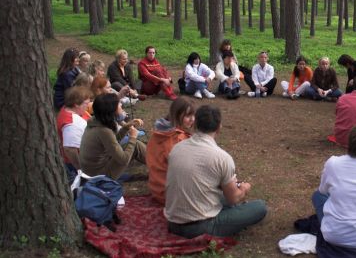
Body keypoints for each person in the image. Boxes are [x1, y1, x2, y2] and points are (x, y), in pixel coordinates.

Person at [165, 105, 267, 238]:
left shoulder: (176, 148)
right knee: (260, 207)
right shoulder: (222, 158)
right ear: (219, 127)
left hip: (172, 221)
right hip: (199, 227)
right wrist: (244, 188)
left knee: (219, 194)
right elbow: (233, 198)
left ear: (195, 124)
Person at [79, 93, 146, 179]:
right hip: (98, 176)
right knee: (135, 145)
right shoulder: (103, 131)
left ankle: (158, 163)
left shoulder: (95, 121)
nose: (121, 105)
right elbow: (124, 160)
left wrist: (126, 127)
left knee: (134, 145)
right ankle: (161, 166)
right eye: (119, 105)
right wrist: (133, 138)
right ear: (111, 111)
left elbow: (113, 142)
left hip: (93, 170)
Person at [146, 98, 196, 205]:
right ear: (177, 116)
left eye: (193, 115)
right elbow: (186, 171)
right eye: (188, 116)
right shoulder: (176, 139)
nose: (192, 119)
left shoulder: (160, 131)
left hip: (157, 187)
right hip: (169, 194)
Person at [56, 86, 93, 181]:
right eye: (86, 103)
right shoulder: (71, 124)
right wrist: (80, 168)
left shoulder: (69, 109)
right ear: (76, 104)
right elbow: (69, 149)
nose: (88, 105)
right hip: (79, 164)